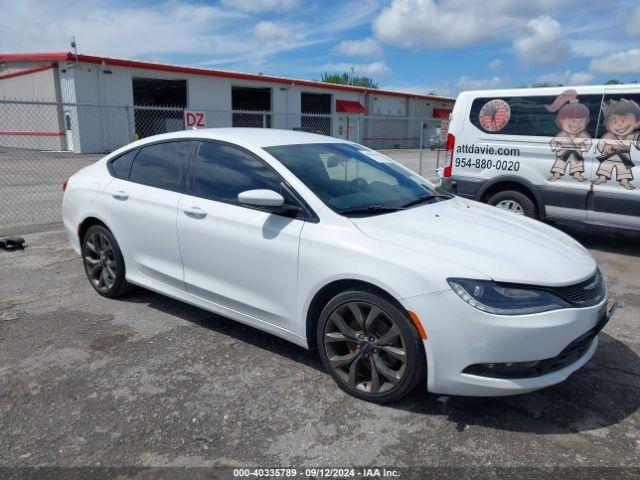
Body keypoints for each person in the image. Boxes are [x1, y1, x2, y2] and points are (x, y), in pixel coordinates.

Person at [546, 89, 592, 183]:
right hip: (564, 153)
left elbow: (587, 142)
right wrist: (557, 146)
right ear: (561, 120)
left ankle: (577, 174)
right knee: (559, 164)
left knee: (577, 164)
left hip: (577, 153)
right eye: (572, 120)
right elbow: (554, 142)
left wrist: (584, 146)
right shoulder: (561, 134)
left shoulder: (583, 135)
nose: (576, 124)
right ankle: (556, 174)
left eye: (580, 121)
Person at [594, 98, 640, 190]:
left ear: (637, 123)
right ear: (606, 124)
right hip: (610, 155)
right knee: (605, 166)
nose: (619, 124)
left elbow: (637, 140)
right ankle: (602, 178)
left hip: (624, 155)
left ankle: (624, 182)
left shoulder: (631, 136)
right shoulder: (608, 135)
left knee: (624, 170)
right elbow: (601, 144)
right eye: (614, 121)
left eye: (624, 120)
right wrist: (605, 146)